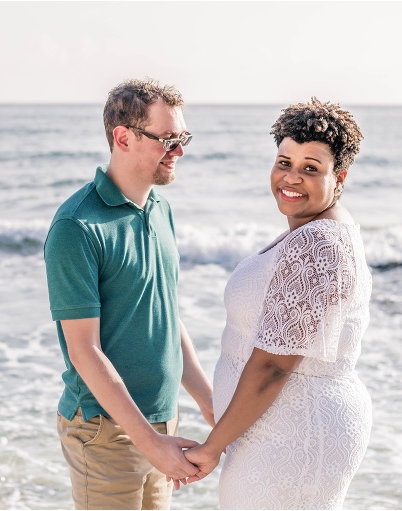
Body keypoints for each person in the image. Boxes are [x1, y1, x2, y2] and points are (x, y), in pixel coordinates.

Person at [184, 98, 373, 509]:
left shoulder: (317, 244)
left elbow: (273, 365)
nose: (291, 177)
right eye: (284, 162)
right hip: (276, 426)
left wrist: (212, 447)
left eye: (311, 168)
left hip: (294, 432)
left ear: (339, 176)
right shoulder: (315, 232)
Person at [44, 78, 214, 510]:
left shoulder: (161, 210)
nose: (179, 151)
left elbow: (165, 315)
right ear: (123, 137)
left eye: (183, 139)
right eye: (168, 140)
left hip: (160, 420)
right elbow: (84, 351)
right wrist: (151, 443)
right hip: (104, 431)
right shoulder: (76, 227)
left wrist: (210, 403)